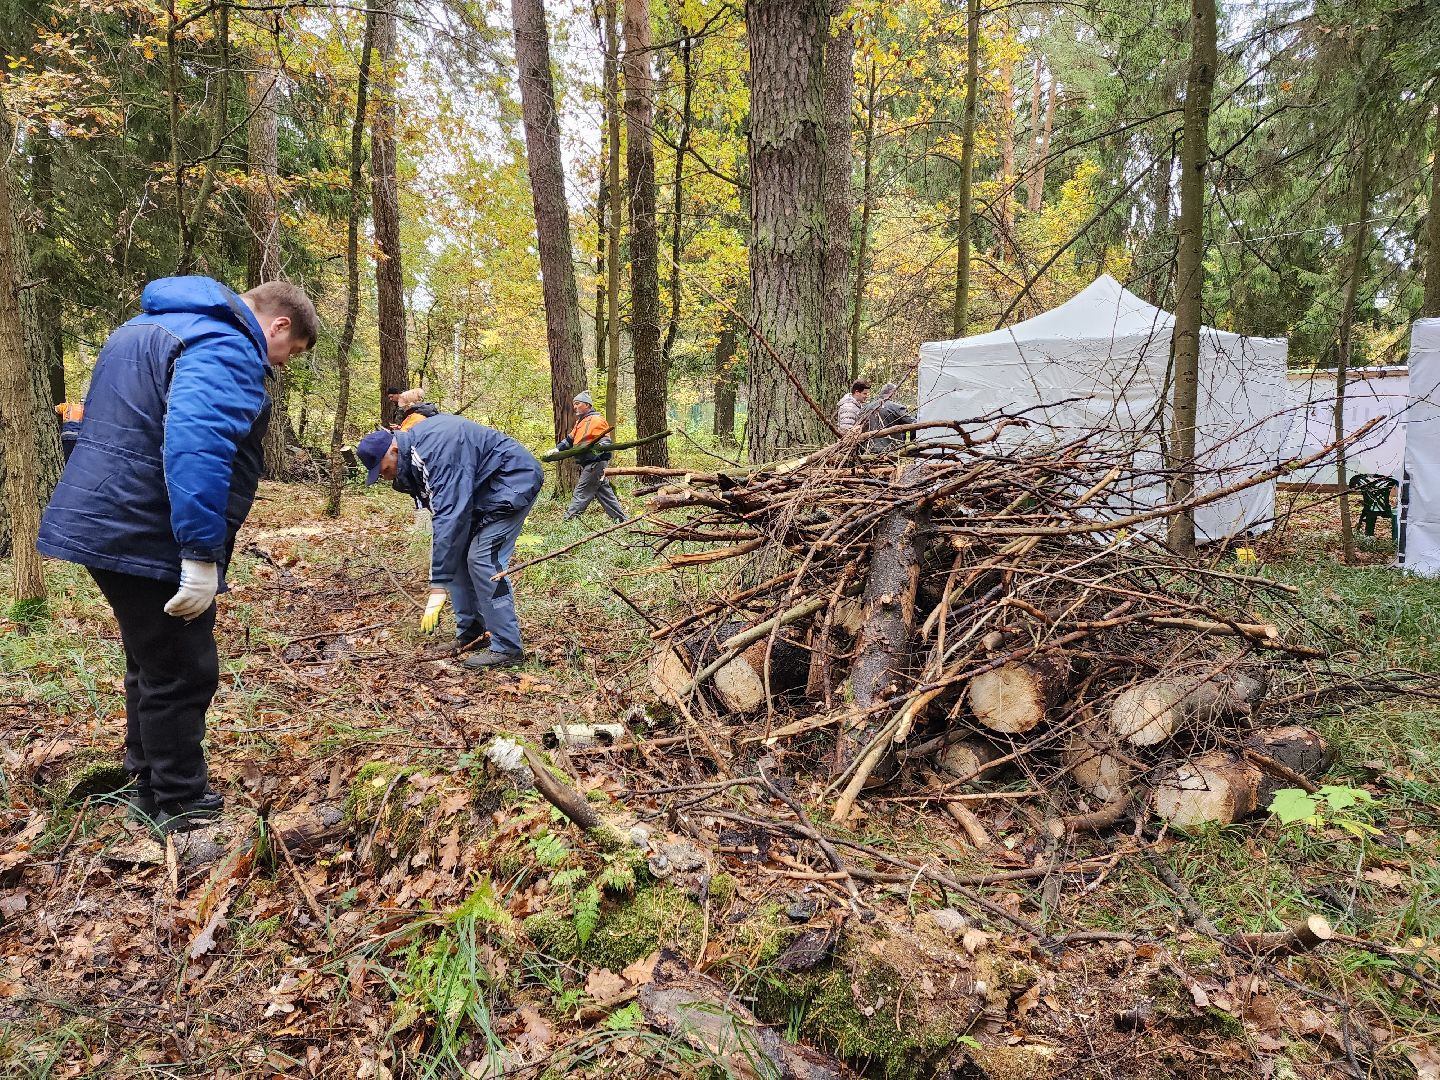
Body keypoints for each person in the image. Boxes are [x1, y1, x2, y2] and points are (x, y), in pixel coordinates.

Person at [37, 277, 316, 835]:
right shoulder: (226, 344)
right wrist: (199, 552)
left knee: (151, 659)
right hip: (149, 525)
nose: (283, 364)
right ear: (279, 324)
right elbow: (197, 444)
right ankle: (180, 807)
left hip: (106, 517)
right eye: (292, 353)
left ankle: (144, 783)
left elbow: (98, 423)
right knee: (184, 669)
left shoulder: (142, 330)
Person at [355, 413, 543, 669]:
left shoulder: (436, 451)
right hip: (481, 490)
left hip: (513, 481)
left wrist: (438, 586)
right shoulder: (414, 455)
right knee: (457, 556)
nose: (386, 478)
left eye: (385, 470)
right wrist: (443, 573)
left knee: (482, 559)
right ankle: (472, 632)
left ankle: (508, 648)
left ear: (394, 449)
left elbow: (449, 515)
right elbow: (446, 516)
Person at [552, 391, 625, 523]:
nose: (575, 407)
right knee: (604, 494)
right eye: (574, 404)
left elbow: (605, 441)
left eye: (577, 404)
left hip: (595, 463)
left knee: (581, 492)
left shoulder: (596, 419)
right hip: (590, 463)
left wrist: (597, 451)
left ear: (587, 405)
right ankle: (622, 520)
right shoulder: (580, 422)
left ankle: (568, 521)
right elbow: (569, 440)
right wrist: (557, 449)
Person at [863, 382, 918, 453]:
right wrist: (905, 439)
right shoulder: (895, 407)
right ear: (893, 393)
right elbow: (914, 423)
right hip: (889, 451)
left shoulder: (866, 408)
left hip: (867, 451)